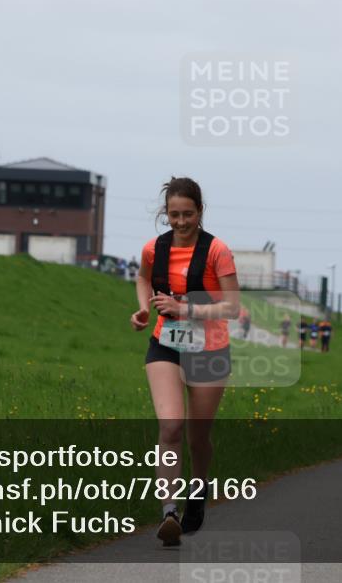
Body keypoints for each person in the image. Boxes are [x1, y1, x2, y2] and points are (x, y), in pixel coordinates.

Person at [129, 177, 240, 546]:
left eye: (188, 214)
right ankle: (169, 512)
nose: (180, 222)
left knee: (198, 436)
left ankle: (199, 487)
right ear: (165, 213)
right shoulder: (153, 248)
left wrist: (185, 307)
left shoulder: (216, 251)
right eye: (174, 215)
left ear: (200, 211)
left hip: (210, 348)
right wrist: (144, 309)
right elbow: (143, 279)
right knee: (172, 427)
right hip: (165, 343)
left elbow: (233, 306)